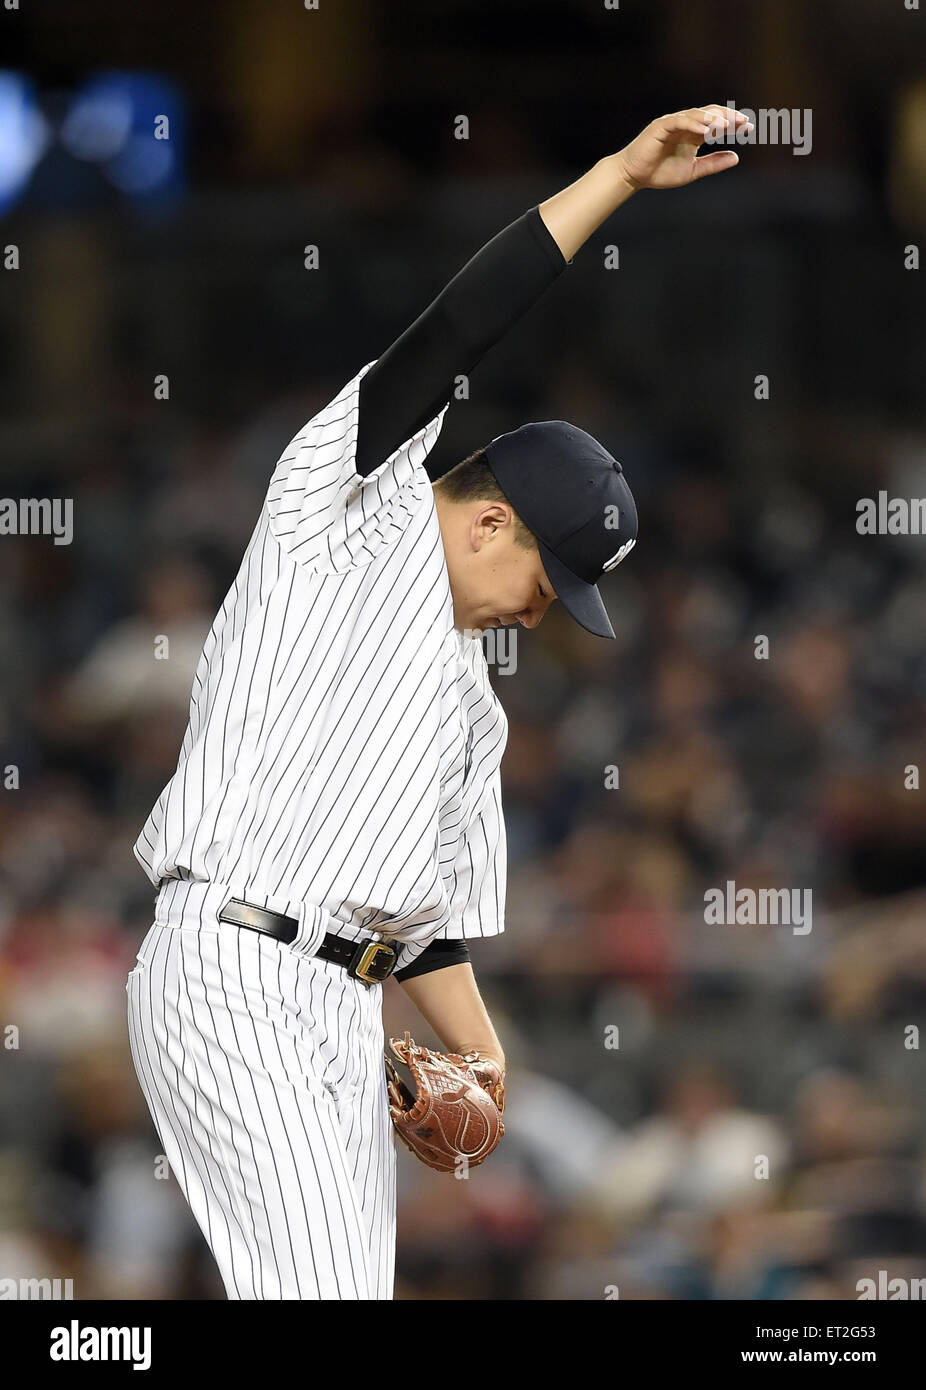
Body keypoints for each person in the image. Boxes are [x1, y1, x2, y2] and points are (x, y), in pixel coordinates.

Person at [126, 105, 751, 1300]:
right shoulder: (342, 514)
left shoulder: (476, 704)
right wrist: (616, 177)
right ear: (485, 517)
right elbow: (460, 321)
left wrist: (483, 1055)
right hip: (232, 963)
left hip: (338, 1002)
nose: (542, 611)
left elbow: (427, 928)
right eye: (542, 576)